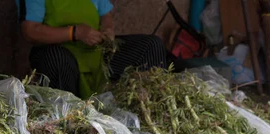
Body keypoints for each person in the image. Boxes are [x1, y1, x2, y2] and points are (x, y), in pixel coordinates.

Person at [17, 0, 168, 99]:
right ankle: (70, 124)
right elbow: (30, 31)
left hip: (96, 52)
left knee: (151, 45)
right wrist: (74, 33)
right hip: (61, 53)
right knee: (56, 58)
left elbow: (105, 15)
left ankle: (151, 113)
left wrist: (107, 30)